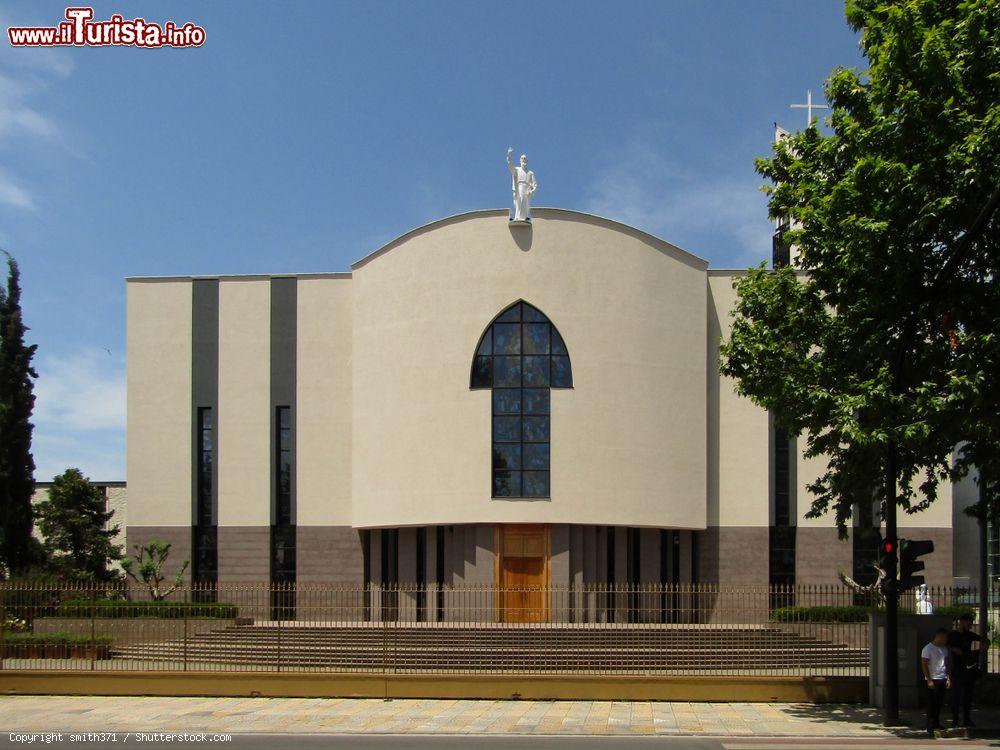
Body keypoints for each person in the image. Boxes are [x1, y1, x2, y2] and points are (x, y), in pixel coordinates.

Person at [948, 612, 985, 728]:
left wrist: (984, 645)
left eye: (971, 624)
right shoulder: (953, 635)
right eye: (968, 623)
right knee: (956, 696)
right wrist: (954, 650)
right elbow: (947, 646)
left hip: (969, 669)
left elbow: (983, 640)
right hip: (957, 669)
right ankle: (955, 720)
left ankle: (967, 719)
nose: (970, 626)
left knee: (968, 697)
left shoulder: (970, 635)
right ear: (962, 622)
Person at [921, 627, 951, 735]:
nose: (946, 640)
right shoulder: (928, 649)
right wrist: (928, 679)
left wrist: (948, 677)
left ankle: (936, 722)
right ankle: (929, 725)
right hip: (933, 678)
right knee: (931, 703)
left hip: (942, 677)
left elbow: (946, 664)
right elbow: (924, 664)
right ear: (940, 637)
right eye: (945, 637)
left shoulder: (944, 649)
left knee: (939, 702)